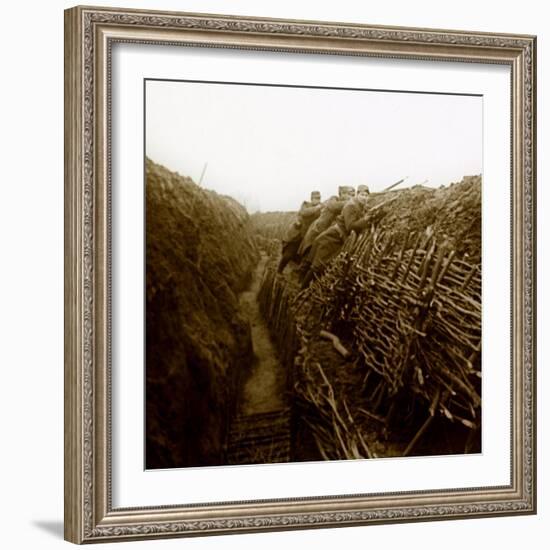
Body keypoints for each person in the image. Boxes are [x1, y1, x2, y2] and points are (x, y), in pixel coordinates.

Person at [301, 185, 370, 288]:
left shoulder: (360, 206)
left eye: (366, 195)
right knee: (317, 265)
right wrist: (365, 220)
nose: (364, 197)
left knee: (323, 265)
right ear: (357, 195)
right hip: (332, 237)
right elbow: (350, 226)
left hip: (338, 238)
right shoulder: (350, 205)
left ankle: (310, 286)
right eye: (362, 194)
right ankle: (302, 289)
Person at [297, 186, 351, 274]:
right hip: (317, 229)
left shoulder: (342, 203)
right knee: (309, 252)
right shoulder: (333, 199)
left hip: (323, 231)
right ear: (341, 194)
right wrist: (352, 201)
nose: (348, 196)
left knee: (314, 253)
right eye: (346, 193)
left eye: (350, 194)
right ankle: (300, 274)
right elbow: (334, 206)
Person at [277, 191, 322, 274]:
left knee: (301, 258)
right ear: (311, 199)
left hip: (307, 237)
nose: (318, 200)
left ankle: (294, 274)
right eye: (316, 198)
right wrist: (317, 208)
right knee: (288, 255)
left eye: (319, 198)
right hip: (297, 236)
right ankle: (279, 270)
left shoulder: (320, 208)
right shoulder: (306, 205)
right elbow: (304, 212)